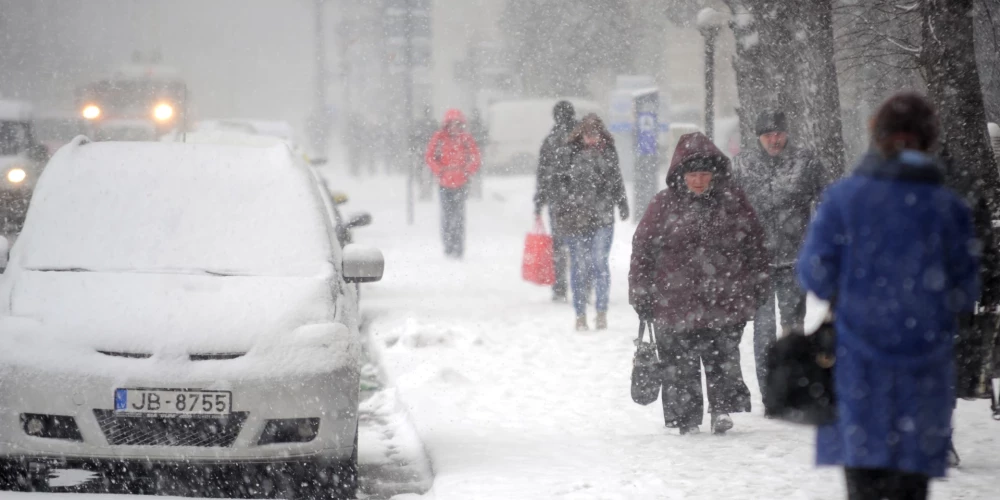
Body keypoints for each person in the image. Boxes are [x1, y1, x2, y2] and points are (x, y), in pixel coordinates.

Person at [797, 92, 980, 500]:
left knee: (863, 483)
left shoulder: (845, 199)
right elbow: (966, 291)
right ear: (929, 140)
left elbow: (813, 272)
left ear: (876, 137)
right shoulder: (949, 207)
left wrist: (857, 290)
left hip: (858, 366)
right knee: (911, 488)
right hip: (924, 371)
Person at [630, 132, 770, 435]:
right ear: (681, 174)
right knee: (680, 363)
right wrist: (641, 292)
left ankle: (721, 408)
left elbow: (755, 244)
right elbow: (642, 251)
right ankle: (685, 417)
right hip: (675, 301)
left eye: (704, 173)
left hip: (724, 297)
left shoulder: (732, 202)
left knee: (723, 356)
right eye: (693, 173)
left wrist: (759, 282)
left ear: (714, 173)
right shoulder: (663, 205)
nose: (698, 180)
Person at [731, 110, 829, 407]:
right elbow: (730, 209)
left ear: (787, 133)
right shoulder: (742, 165)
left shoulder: (805, 161)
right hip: (757, 261)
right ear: (758, 137)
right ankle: (770, 396)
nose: (774, 139)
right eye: (768, 135)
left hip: (795, 257)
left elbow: (825, 200)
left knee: (793, 328)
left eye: (779, 133)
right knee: (762, 331)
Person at [555, 114, 628, 330]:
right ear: (581, 134)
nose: (592, 139)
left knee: (599, 263)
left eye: (595, 134)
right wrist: (564, 207)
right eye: (588, 135)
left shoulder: (608, 152)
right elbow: (560, 184)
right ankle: (580, 315)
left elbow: (616, 178)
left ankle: (601, 312)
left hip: (602, 216)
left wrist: (622, 203)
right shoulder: (569, 153)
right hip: (576, 218)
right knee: (579, 266)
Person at [534, 101, 578, 303]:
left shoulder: (550, 140)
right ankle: (583, 284)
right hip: (580, 199)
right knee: (580, 243)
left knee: (559, 245)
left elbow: (543, 174)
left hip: (557, 199)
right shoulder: (581, 138)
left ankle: (560, 287)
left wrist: (539, 201)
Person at [425, 109, 481, 259]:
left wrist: (466, 171)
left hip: (461, 183)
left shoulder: (465, 139)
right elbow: (430, 156)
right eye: (452, 124)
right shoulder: (439, 138)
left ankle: (458, 247)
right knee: (447, 216)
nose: (454, 127)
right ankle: (448, 246)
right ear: (447, 124)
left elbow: (475, 157)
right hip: (444, 183)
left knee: (459, 216)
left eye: (457, 124)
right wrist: (440, 171)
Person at [411, 107, 439, 200]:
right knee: (426, 171)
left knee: (422, 171)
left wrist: (414, 147)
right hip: (427, 151)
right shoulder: (432, 124)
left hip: (424, 151)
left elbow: (414, 137)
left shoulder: (420, 124)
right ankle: (426, 191)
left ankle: (425, 191)